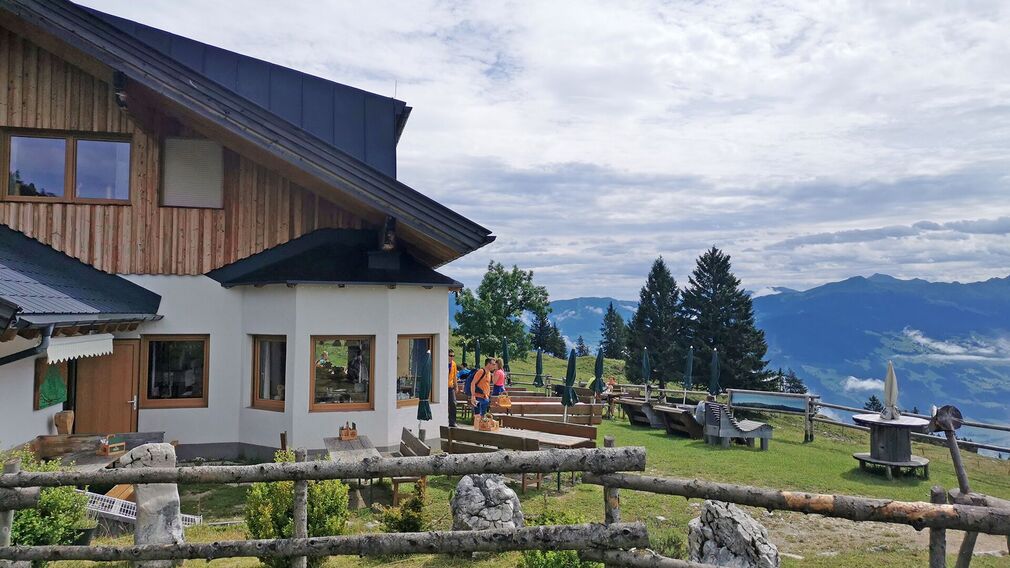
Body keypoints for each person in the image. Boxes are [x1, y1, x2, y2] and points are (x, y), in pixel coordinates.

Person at [447, 349, 458, 427]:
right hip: (443, 387)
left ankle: (452, 422)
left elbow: (454, 376)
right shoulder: (443, 363)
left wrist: (456, 386)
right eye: (450, 356)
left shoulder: (454, 364)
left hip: (450, 386)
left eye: (453, 356)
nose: (452, 357)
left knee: (453, 403)